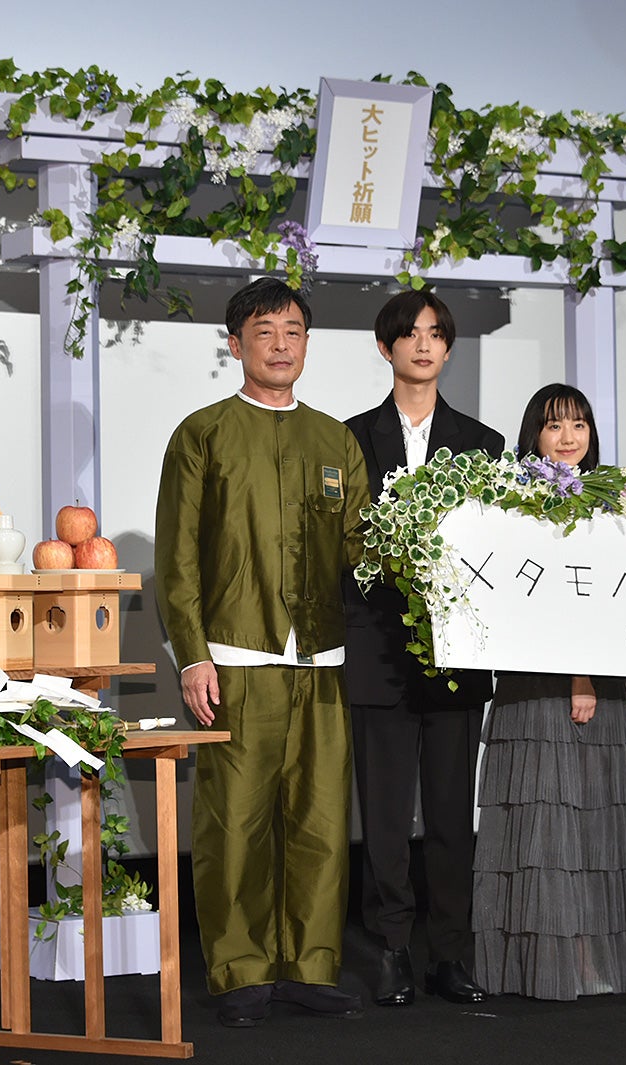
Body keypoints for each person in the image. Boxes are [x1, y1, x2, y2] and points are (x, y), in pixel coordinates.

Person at [154, 277, 372, 1027]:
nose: (281, 345)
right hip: (235, 655)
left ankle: (311, 965)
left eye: (293, 332)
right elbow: (178, 556)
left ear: (307, 344)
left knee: (320, 823)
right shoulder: (203, 433)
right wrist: (192, 655)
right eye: (265, 332)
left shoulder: (335, 440)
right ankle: (239, 970)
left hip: (322, 658)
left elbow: (360, 546)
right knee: (236, 823)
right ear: (235, 344)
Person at [343, 290, 504, 1007]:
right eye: (408, 334)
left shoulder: (482, 443)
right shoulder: (349, 438)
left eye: (435, 333)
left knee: (449, 817)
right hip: (377, 648)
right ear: (386, 347)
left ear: (447, 347)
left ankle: (451, 954)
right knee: (382, 820)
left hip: (457, 653)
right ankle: (390, 951)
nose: (423, 344)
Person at [471, 384, 626, 1001]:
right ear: (534, 436)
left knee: (591, 830)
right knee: (544, 831)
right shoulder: (515, 504)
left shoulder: (612, 502)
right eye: (554, 425)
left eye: (579, 424)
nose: (568, 436)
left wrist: (589, 675)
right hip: (539, 687)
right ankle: (542, 965)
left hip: (598, 683)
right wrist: (578, 676)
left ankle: (584, 958)